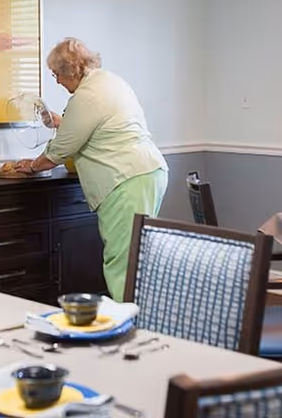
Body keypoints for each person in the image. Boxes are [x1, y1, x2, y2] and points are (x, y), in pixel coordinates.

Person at [15, 38, 168, 301]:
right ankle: (142, 321)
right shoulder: (108, 81)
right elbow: (94, 126)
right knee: (137, 258)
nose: (58, 82)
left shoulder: (86, 97)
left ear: (71, 70)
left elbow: (59, 152)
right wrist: (57, 121)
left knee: (121, 261)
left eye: (57, 75)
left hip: (125, 181)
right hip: (148, 172)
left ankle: (125, 327)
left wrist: (30, 166)